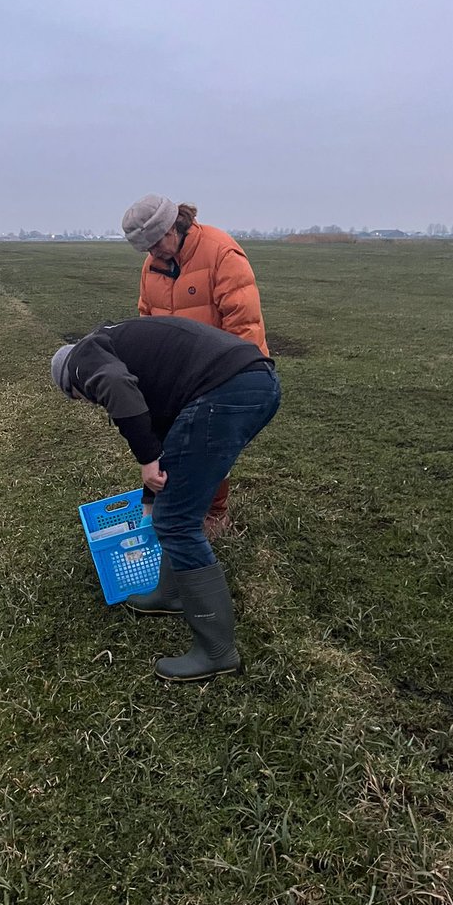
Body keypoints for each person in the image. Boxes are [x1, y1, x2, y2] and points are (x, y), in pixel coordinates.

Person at [50, 316, 280, 682]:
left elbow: (114, 386)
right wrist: (150, 495)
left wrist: (145, 462)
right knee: (172, 509)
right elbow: (167, 433)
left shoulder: (83, 357)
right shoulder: (121, 349)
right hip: (256, 382)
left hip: (227, 388)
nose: (87, 401)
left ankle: (217, 652)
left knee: (177, 522)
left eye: (79, 397)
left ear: (71, 384)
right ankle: (171, 593)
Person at [122, 194, 269, 538]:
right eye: (146, 249)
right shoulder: (152, 266)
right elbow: (147, 320)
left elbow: (243, 326)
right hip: (178, 376)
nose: (153, 253)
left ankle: (216, 513)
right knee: (171, 440)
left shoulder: (222, 254)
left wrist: (228, 381)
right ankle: (175, 506)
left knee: (212, 443)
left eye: (157, 243)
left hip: (224, 371)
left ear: (175, 227)